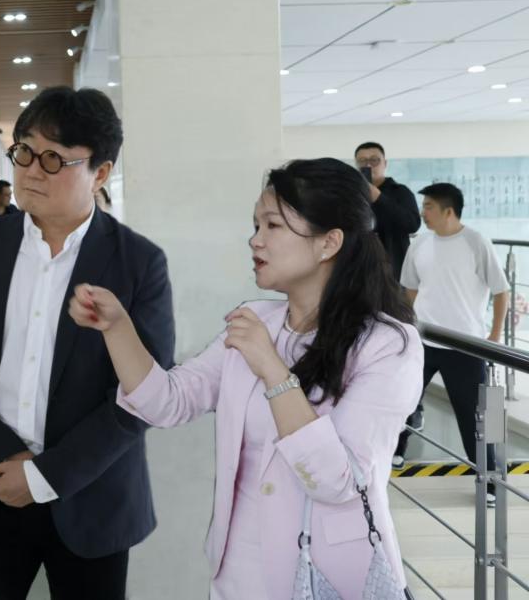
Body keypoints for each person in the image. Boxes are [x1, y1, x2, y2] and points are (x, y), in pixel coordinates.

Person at [69, 158, 422, 599]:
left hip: (329, 578)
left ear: (329, 242)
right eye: (256, 225)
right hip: (238, 573)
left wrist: (272, 369)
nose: (255, 239)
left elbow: (338, 481)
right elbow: (168, 402)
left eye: (273, 225)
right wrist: (117, 327)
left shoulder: (388, 345)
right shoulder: (255, 320)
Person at [0, 87, 175, 600]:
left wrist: (44, 476)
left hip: (90, 496)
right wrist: (3, 459)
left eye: (55, 158)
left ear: (100, 173)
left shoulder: (138, 263)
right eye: (25, 151)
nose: (32, 171)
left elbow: (143, 393)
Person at [394, 183, 509, 499]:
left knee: (473, 417)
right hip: (424, 341)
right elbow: (410, 289)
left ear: (448, 211)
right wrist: (407, 327)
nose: (423, 213)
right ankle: (396, 452)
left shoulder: (475, 242)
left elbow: (501, 291)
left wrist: (494, 337)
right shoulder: (420, 244)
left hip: (465, 346)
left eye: (428, 206)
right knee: (401, 400)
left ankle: (488, 480)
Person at [354, 142, 420, 282]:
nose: (368, 165)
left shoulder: (401, 192)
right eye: (362, 161)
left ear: (385, 163)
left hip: (393, 269)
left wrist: (379, 198)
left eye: (374, 160)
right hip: (358, 269)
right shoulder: (350, 194)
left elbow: (412, 224)